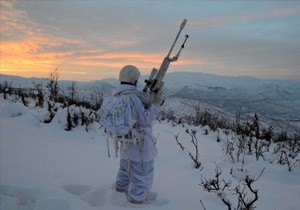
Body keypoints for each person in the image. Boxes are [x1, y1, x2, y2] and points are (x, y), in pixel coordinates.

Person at [113, 65, 163, 204]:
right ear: (135, 80)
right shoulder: (134, 97)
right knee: (142, 173)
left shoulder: (115, 95)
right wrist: (156, 105)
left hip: (123, 141)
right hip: (139, 143)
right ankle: (136, 201)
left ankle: (119, 191)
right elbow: (145, 119)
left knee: (125, 169)